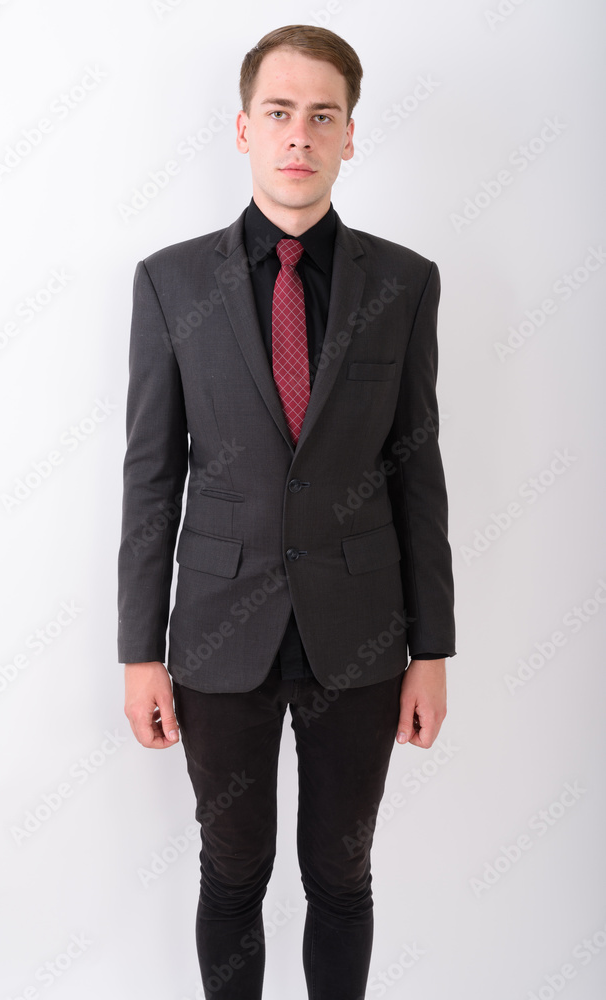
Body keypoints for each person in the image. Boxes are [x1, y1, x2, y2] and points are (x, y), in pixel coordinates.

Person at [119, 23, 456, 1000]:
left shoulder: (402, 284)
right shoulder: (171, 282)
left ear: (350, 135)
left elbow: (417, 472)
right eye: (279, 113)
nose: (298, 135)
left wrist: (429, 649)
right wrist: (140, 649)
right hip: (219, 635)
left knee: (339, 877)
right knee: (232, 874)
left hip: (361, 637)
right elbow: (150, 477)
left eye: (322, 115)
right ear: (243, 129)